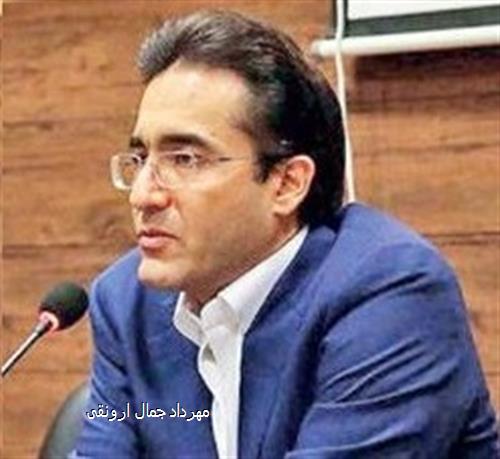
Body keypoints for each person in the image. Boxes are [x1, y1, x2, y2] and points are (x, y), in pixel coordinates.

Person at [73, 10, 498, 458]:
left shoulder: (390, 293)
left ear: (287, 184)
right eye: (141, 159)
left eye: (185, 159)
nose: (143, 195)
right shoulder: (125, 303)